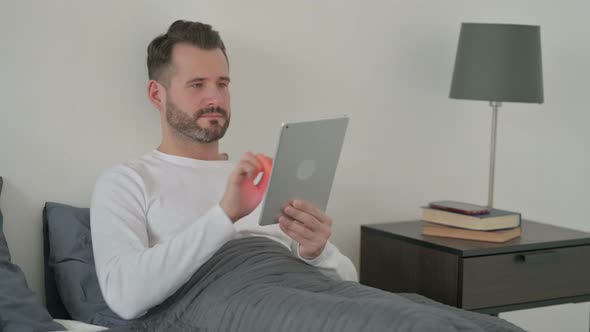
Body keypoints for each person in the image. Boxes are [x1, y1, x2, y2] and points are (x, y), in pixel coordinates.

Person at [90, 20, 357, 321]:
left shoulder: (259, 177)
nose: (215, 98)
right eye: (197, 84)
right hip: (236, 309)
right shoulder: (126, 182)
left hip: (309, 301)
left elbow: (350, 283)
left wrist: (319, 251)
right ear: (156, 94)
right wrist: (224, 214)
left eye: (222, 84)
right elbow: (125, 297)